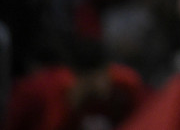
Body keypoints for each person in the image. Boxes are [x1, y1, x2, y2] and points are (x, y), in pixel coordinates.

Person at [5, 37, 149, 130]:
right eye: (101, 76)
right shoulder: (40, 90)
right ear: (83, 76)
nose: (106, 82)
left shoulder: (124, 83)